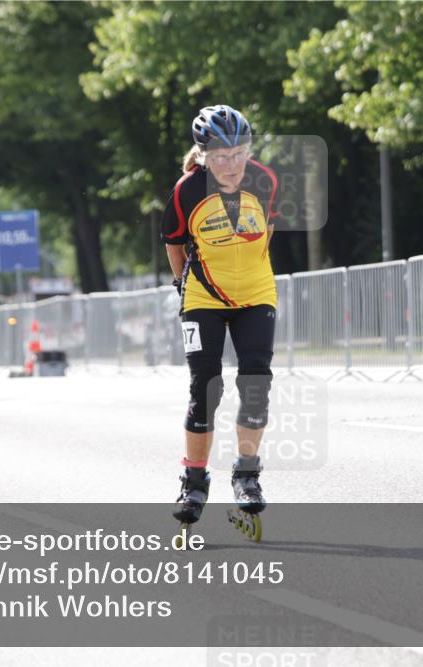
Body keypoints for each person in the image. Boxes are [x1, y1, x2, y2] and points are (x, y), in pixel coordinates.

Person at [160, 104, 279, 526]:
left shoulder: (266, 182)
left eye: (239, 153)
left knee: (255, 384)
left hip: (255, 294)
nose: (231, 164)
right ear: (204, 155)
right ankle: (193, 482)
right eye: (221, 156)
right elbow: (174, 242)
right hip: (203, 298)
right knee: (205, 388)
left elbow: (267, 232)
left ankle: (247, 475)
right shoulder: (186, 190)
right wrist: (182, 286)